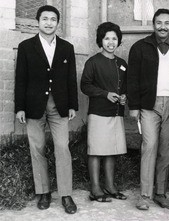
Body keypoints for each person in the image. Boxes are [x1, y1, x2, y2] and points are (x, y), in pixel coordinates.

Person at [14, 5, 78, 214]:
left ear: (57, 23)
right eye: (45, 19)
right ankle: (43, 192)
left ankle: (66, 194)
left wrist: (72, 105)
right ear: (38, 22)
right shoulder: (26, 46)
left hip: (59, 106)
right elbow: (21, 79)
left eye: (53, 19)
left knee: (62, 147)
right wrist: (20, 107)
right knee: (37, 148)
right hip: (34, 106)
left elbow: (71, 78)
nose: (49, 23)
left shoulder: (67, 47)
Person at [127, 8, 169, 210]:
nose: (163, 27)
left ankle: (160, 193)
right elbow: (132, 79)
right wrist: (134, 107)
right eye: (159, 23)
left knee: (166, 149)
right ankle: (145, 195)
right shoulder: (140, 47)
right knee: (149, 146)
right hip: (149, 105)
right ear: (154, 24)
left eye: (167, 23)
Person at [81, 22, 127, 203]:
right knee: (96, 151)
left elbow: (125, 86)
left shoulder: (122, 63)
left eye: (114, 38)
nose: (110, 42)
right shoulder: (93, 62)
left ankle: (109, 185)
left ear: (118, 41)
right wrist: (105, 94)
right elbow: (85, 85)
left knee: (111, 151)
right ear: (100, 40)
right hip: (99, 113)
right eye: (107, 38)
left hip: (116, 113)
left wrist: (124, 97)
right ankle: (95, 188)